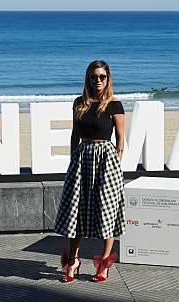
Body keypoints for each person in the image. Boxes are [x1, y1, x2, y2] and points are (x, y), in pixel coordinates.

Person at [54, 60, 126, 283]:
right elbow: (75, 134)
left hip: (106, 159)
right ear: (88, 78)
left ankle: (103, 264)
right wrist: (73, 159)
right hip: (82, 158)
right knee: (77, 212)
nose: (98, 81)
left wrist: (117, 162)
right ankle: (73, 261)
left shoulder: (115, 105)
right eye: (94, 76)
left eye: (102, 77)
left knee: (107, 210)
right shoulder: (79, 103)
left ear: (108, 79)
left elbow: (121, 138)